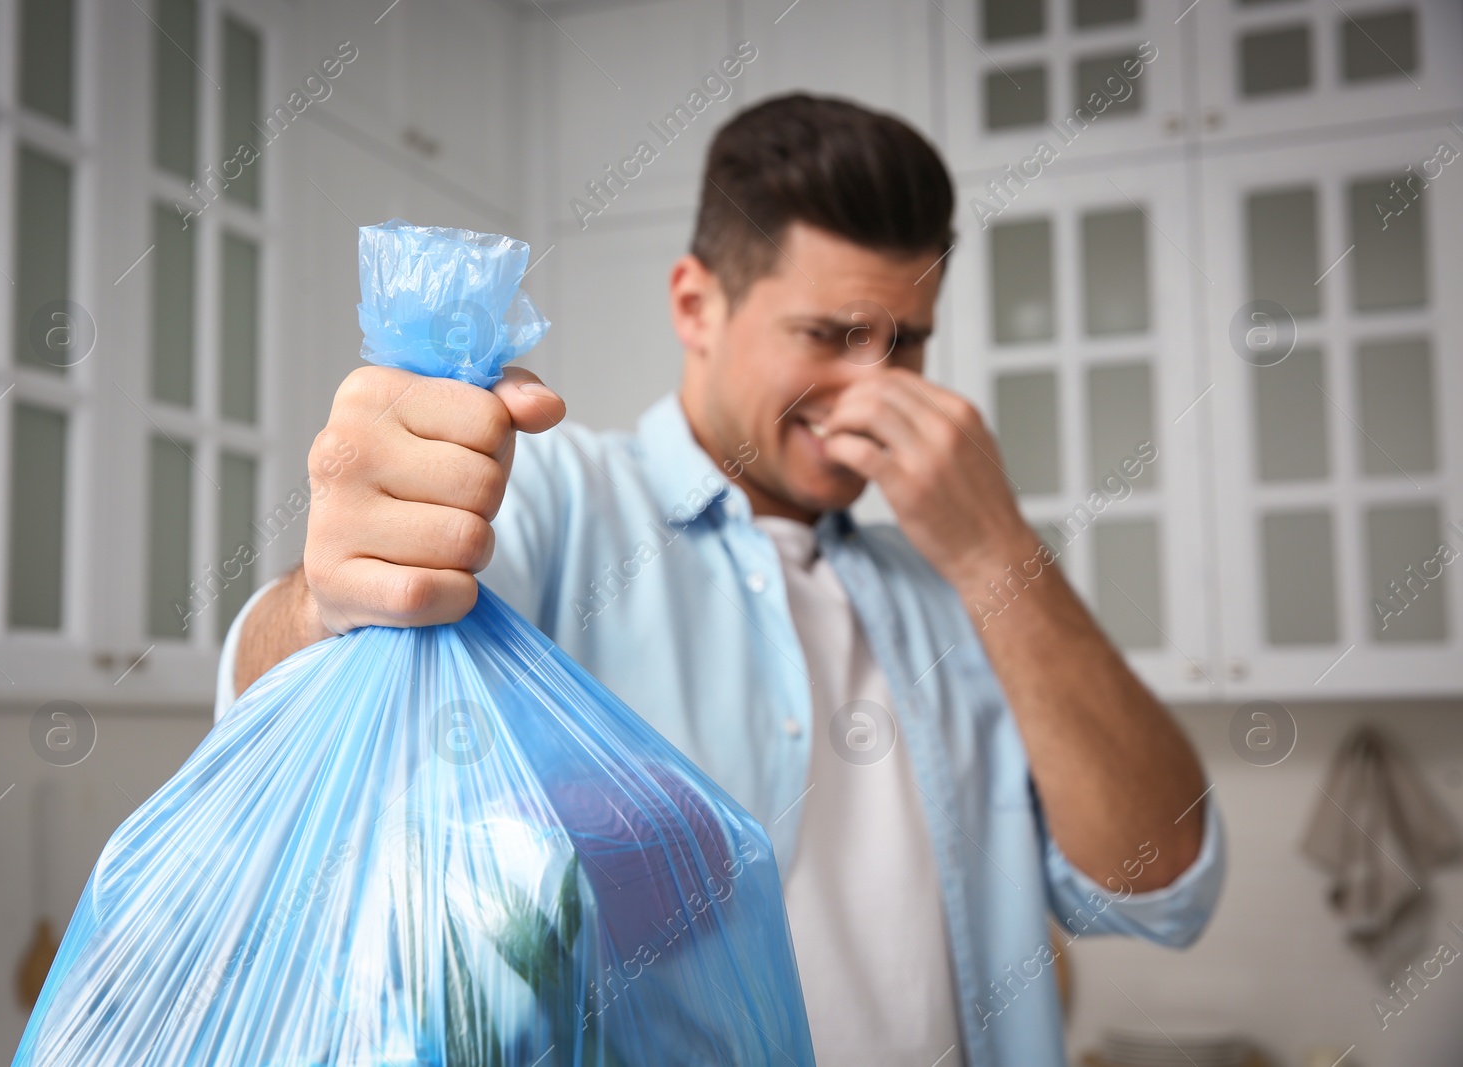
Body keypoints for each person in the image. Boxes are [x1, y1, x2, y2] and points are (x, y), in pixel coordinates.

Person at [216, 93, 1224, 1067]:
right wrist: (326, 594)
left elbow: (1160, 886)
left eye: (905, 340)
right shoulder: (556, 498)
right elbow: (300, 723)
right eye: (830, 336)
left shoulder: (962, 591)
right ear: (696, 305)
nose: (877, 383)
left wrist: (998, 547)